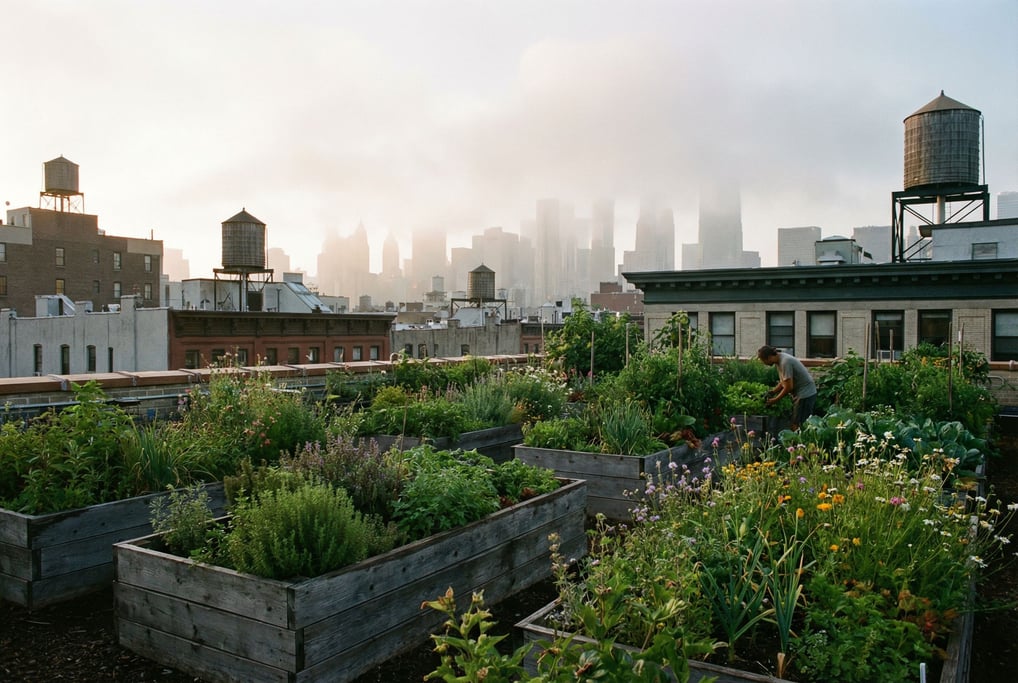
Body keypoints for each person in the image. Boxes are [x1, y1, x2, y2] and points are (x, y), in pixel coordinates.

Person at [757, 345, 817, 430]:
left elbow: (789, 387)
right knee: (795, 421)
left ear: (769, 357)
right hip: (801, 394)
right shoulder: (779, 361)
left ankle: (800, 442)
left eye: (764, 361)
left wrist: (775, 400)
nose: (764, 364)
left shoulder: (785, 362)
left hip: (805, 394)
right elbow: (783, 382)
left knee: (798, 424)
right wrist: (773, 392)